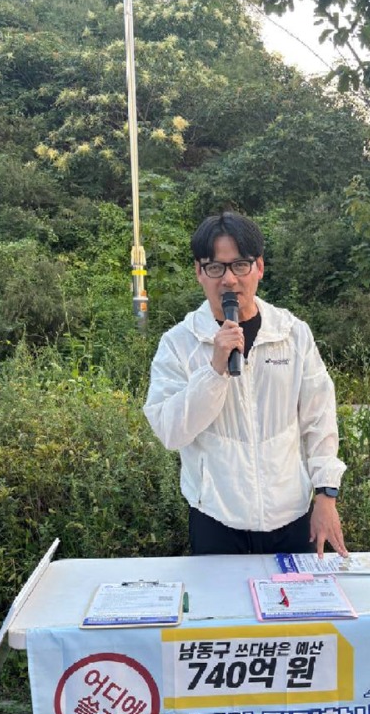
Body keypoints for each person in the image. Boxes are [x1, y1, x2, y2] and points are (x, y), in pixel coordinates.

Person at [144, 211, 347, 557]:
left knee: (302, 595)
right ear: (199, 272)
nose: (228, 279)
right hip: (215, 518)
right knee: (220, 596)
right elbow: (170, 431)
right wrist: (214, 371)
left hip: (291, 515)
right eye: (215, 267)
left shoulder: (292, 334)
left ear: (259, 267)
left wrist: (326, 495)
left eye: (240, 265)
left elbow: (319, 418)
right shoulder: (179, 343)